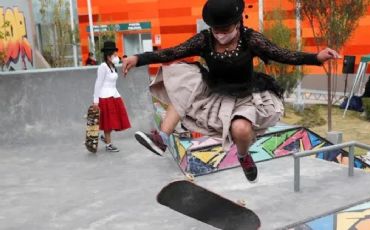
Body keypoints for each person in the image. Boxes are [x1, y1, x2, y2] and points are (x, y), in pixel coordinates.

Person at [122, 0, 339, 182]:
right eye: (216, 30)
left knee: (241, 130)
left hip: (245, 94)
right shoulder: (205, 39)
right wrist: (139, 58)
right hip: (213, 89)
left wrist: (315, 58)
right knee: (182, 81)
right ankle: (162, 137)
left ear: (237, 23)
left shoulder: (250, 39)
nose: (220, 35)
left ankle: (244, 156)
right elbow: (171, 53)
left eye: (225, 30)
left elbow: (281, 54)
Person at [93, 41, 131, 152]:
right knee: (108, 123)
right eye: (114, 55)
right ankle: (108, 144)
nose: (116, 57)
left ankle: (105, 138)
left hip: (114, 95)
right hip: (105, 97)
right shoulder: (103, 67)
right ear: (108, 56)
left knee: (115, 120)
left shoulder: (112, 66)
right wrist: (95, 101)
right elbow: (98, 83)